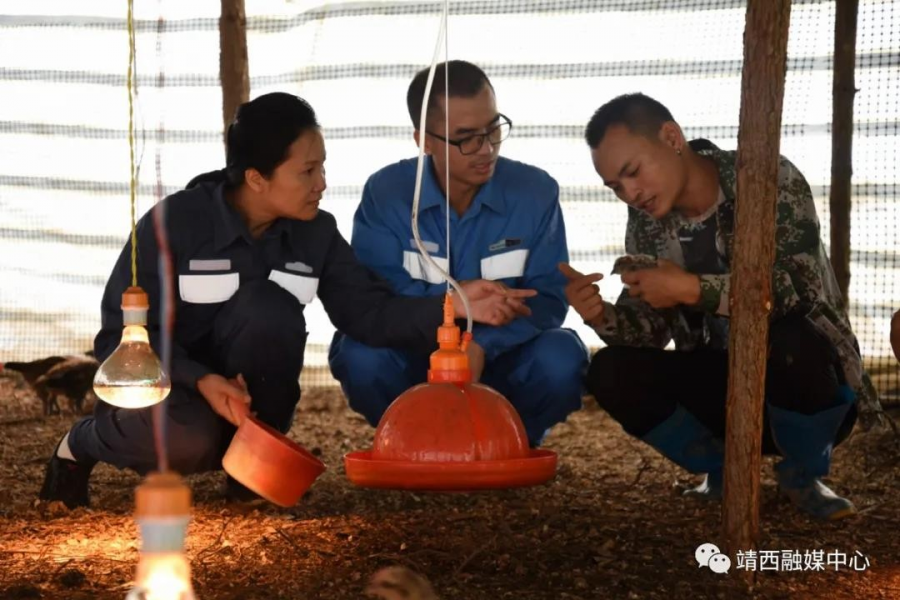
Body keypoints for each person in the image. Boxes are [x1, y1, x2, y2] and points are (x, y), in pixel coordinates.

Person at [39, 92, 534, 508]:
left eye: (323, 168)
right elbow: (116, 337)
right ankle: (78, 445)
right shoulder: (175, 224)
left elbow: (369, 313)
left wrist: (458, 302)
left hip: (253, 402)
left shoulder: (315, 234)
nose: (322, 184)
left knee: (267, 309)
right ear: (257, 178)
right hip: (175, 390)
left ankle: (250, 470)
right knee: (189, 440)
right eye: (308, 171)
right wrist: (201, 379)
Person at [561, 93, 882, 520]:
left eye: (632, 172)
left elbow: (796, 290)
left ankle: (804, 475)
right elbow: (651, 331)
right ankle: (720, 471)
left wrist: (692, 289)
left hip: (803, 380)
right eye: (616, 187)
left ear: (672, 137)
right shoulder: (646, 221)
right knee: (610, 370)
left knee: (793, 338)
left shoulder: (767, 178)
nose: (630, 193)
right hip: (722, 390)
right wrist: (600, 314)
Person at [328, 61, 588, 446]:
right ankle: (411, 443)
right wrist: (455, 310)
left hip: (503, 361)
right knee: (361, 355)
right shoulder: (387, 196)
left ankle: (511, 444)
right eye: (466, 137)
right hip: (416, 362)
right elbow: (374, 305)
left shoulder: (534, 192)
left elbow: (548, 299)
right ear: (424, 140)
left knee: (562, 356)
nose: (486, 149)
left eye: (493, 129)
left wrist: (482, 346)